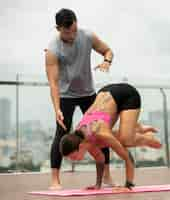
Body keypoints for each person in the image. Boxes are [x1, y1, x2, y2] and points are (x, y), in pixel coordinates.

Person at [45, 8, 114, 190]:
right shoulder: (52, 48)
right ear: (58, 28)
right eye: (67, 32)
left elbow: (107, 50)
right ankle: (55, 179)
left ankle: (106, 174)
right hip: (65, 95)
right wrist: (57, 108)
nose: (72, 35)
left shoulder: (87, 35)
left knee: (100, 133)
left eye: (74, 30)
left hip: (88, 93)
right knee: (61, 133)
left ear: (76, 23)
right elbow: (53, 83)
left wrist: (107, 61)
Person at [60, 83, 162, 190]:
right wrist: (98, 185)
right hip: (106, 95)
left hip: (126, 95)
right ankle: (136, 128)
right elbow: (100, 160)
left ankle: (145, 137)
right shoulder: (83, 138)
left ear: (80, 146)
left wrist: (128, 185)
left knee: (125, 141)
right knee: (104, 141)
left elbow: (128, 157)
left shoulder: (100, 133)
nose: (73, 160)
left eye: (73, 157)